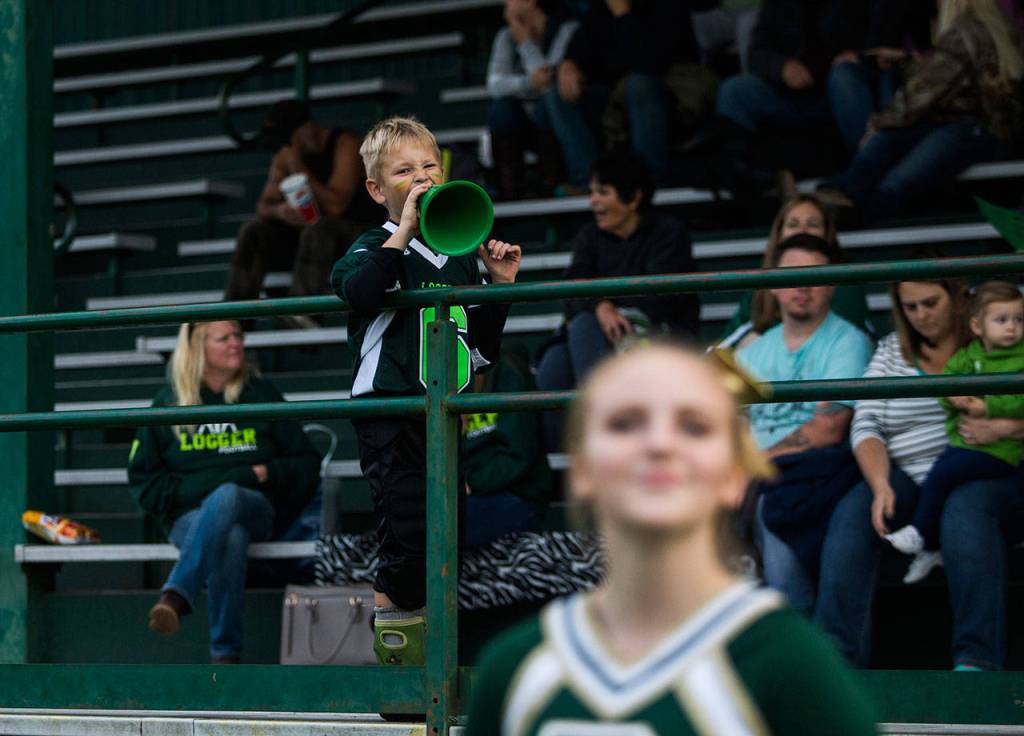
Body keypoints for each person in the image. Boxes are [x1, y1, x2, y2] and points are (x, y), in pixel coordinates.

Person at [466, 343, 877, 734]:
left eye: (694, 426)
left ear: (736, 473)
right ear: (582, 468)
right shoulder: (515, 669)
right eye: (625, 422)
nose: (659, 443)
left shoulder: (790, 661)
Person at [330, 116, 522, 666]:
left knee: (446, 541)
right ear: (375, 189)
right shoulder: (372, 246)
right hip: (389, 409)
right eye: (404, 171)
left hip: (444, 411)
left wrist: (500, 289)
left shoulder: (463, 255)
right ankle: (398, 664)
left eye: (429, 167)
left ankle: (431, 667)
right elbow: (362, 292)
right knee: (408, 534)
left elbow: (479, 352)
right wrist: (405, 230)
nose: (421, 178)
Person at [812, 271, 1024, 670]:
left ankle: (975, 663)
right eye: (910, 307)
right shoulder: (892, 350)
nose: (921, 315)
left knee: (964, 513)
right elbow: (867, 422)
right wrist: (879, 485)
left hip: (985, 467)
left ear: (958, 299)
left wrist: (1005, 427)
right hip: (905, 472)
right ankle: (836, 666)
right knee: (855, 515)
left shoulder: (997, 337)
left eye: (931, 303)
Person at [128, 320, 321, 663]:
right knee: (229, 535)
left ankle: (177, 594)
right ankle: (225, 656)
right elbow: (147, 485)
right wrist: (241, 473)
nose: (236, 343)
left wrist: (265, 473)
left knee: (229, 495)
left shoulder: (261, 394)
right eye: (224, 338)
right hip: (187, 519)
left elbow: (306, 464)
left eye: (239, 336)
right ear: (198, 347)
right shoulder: (168, 404)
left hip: (258, 509)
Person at [735, 233, 873, 613]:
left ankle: (795, 636)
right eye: (791, 274)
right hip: (757, 475)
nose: (802, 285)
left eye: (814, 275)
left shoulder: (849, 341)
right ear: (773, 283)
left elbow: (828, 429)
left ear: (830, 285)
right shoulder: (753, 351)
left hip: (814, 474)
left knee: (773, 503)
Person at [534, 148, 699, 450]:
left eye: (603, 192)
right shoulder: (590, 236)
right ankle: (564, 471)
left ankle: (603, 429)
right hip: (596, 340)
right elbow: (571, 286)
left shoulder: (668, 234)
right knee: (553, 366)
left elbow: (660, 299)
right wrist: (601, 306)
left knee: (583, 324)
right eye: (592, 192)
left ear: (633, 197)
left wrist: (601, 303)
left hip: (655, 336)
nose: (593, 201)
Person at [820, 0, 1023, 224]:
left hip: (977, 130)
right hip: (954, 124)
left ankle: (850, 216)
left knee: (895, 180)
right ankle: (840, 196)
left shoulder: (966, 33)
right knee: (888, 142)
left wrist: (877, 125)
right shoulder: (982, 28)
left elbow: (927, 90)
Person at [885, 281, 1024, 581]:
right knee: (944, 473)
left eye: (1019, 319)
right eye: (1001, 320)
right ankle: (931, 546)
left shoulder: (1020, 357)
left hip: (1001, 454)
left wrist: (990, 410)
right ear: (977, 325)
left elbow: (1019, 398)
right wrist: (953, 395)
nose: (1011, 328)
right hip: (969, 446)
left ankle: (921, 533)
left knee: (945, 478)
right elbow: (948, 378)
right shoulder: (971, 354)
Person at [225, 100, 378, 323]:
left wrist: (299, 168)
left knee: (319, 228)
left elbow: (337, 206)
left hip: (353, 237)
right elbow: (263, 207)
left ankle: (303, 312)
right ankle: (233, 321)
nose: (285, 148)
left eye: (288, 140)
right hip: (307, 243)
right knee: (253, 231)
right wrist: (280, 211)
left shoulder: (345, 144)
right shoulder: (283, 157)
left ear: (306, 129)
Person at [550, 0, 718, 187]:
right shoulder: (602, 10)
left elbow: (650, 64)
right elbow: (582, 47)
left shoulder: (668, 7)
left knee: (639, 85)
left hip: (667, 95)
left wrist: (624, 16)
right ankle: (591, 184)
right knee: (557, 94)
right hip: (616, 99)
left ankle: (649, 183)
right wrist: (569, 64)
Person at [718, 194, 871, 349]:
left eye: (813, 224)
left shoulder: (845, 278)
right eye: (793, 224)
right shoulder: (762, 284)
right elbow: (724, 346)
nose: (802, 231)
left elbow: (835, 338)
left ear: (827, 234)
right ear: (779, 234)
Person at [462, 342, 553, 548]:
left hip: (519, 496)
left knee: (443, 529)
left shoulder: (508, 373)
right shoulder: (442, 377)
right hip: (467, 495)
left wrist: (468, 481)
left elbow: (519, 455)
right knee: (417, 523)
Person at [486, 0, 579, 199]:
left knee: (547, 104)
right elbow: (495, 85)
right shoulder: (506, 36)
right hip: (521, 123)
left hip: (557, 120)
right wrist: (528, 82)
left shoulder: (566, 30)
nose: (506, 3)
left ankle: (551, 185)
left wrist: (526, 44)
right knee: (501, 109)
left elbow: (547, 81)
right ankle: (510, 190)